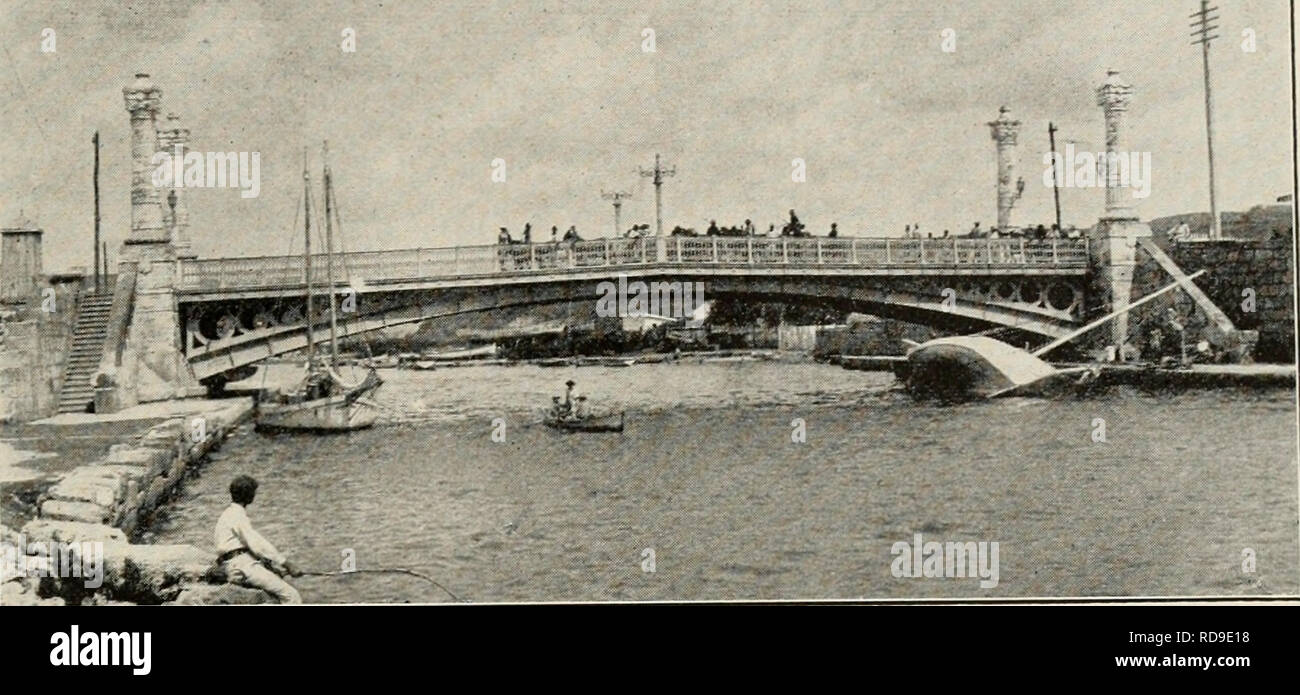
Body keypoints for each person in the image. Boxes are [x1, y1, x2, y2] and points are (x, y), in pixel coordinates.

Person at [214, 475, 302, 604]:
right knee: (291, 595)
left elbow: (243, 547)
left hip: (233, 563)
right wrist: (287, 564)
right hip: (241, 565)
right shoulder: (237, 515)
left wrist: (269, 567)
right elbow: (257, 545)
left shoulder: (227, 514)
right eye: (253, 492)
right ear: (248, 495)